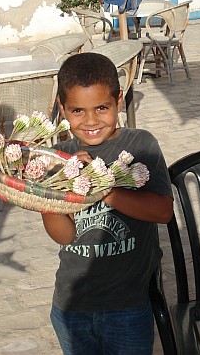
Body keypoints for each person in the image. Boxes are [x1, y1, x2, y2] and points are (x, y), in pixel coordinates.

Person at [42, 52, 174, 355]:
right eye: (77, 110)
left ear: (118, 99)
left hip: (127, 305)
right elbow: (63, 236)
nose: (90, 120)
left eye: (101, 107)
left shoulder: (140, 145)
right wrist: (48, 195)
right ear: (62, 108)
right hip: (71, 306)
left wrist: (101, 186)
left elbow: (163, 211)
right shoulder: (59, 157)